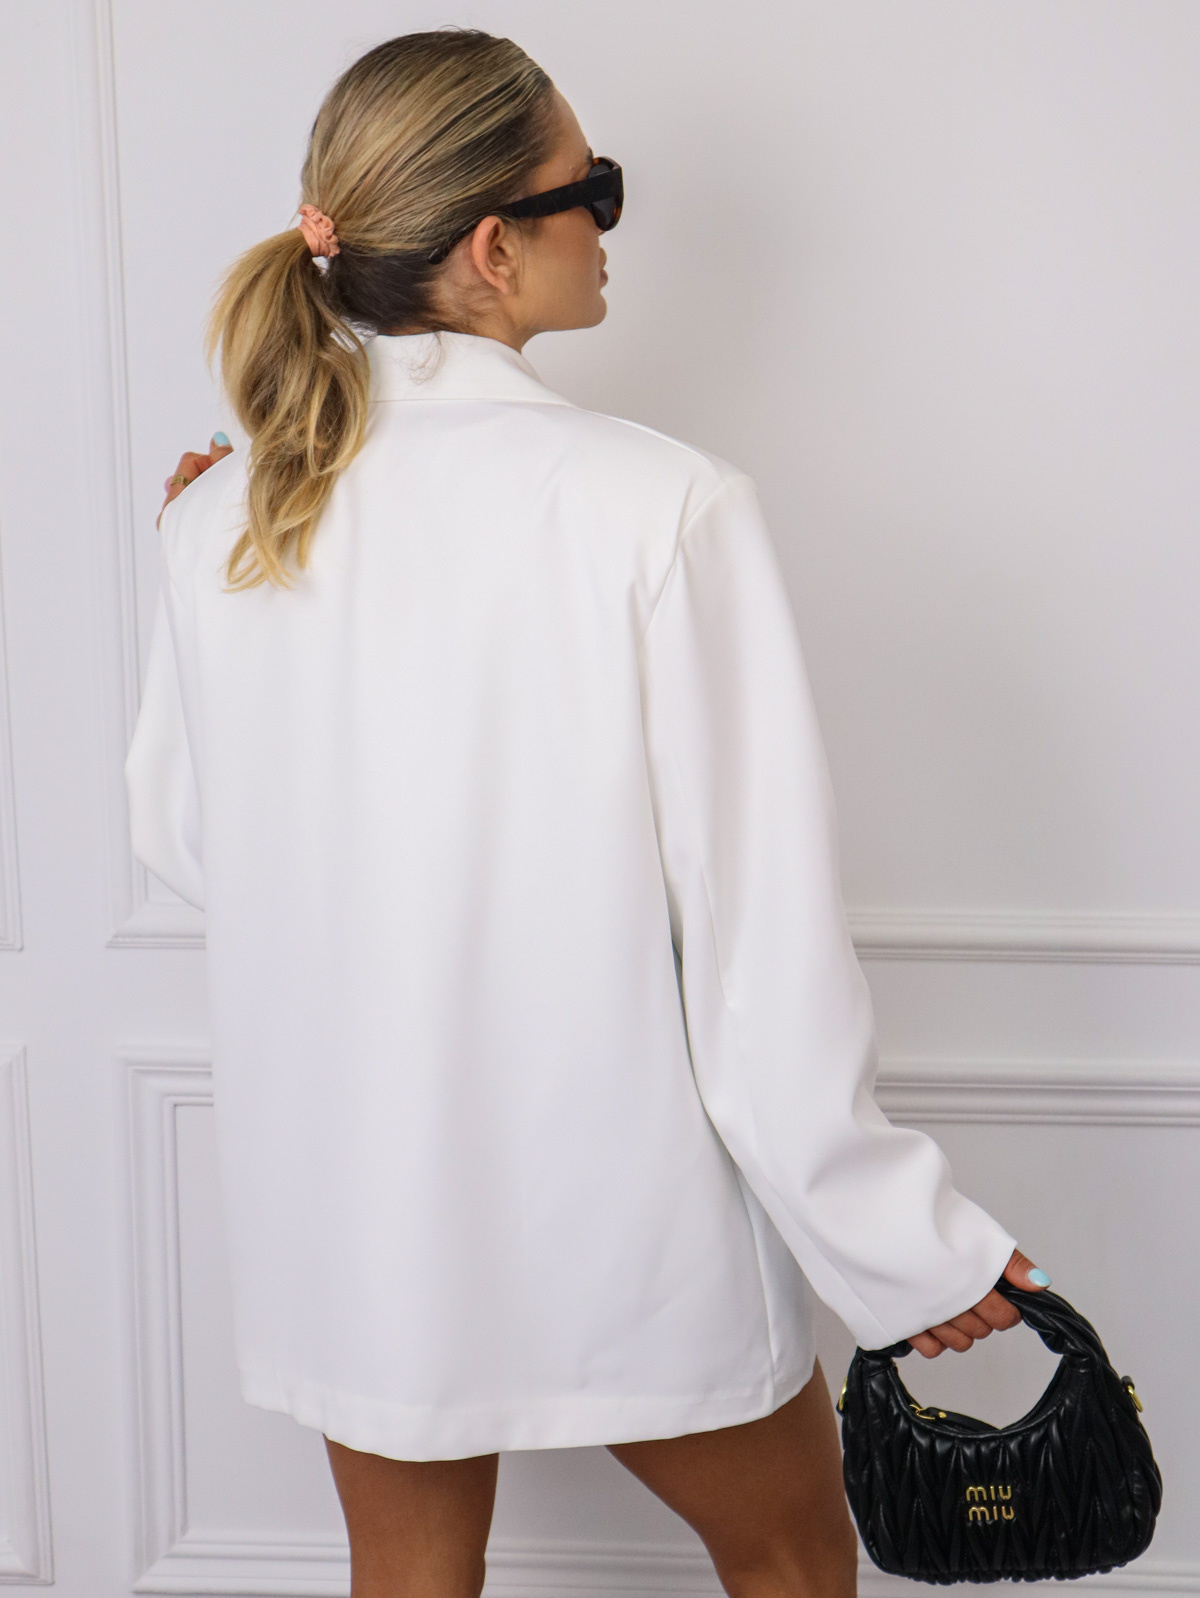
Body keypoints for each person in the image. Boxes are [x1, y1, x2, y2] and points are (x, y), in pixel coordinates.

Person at [126, 27, 1051, 1598]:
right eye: (593, 189)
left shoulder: (223, 513)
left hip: (357, 1200)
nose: (612, 223)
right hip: (624, 1199)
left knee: (407, 1569)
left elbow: (194, 847)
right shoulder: (661, 507)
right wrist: (904, 1244)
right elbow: (757, 948)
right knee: (789, 1552)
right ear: (494, 248)